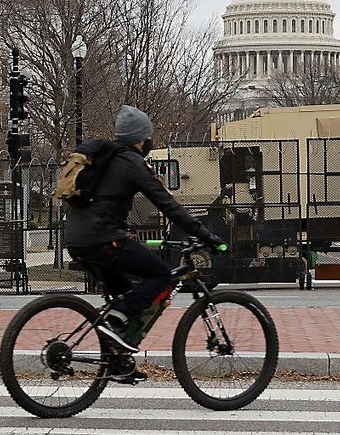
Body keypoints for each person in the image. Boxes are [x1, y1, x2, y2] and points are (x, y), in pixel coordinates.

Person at [64, 105, 226, 374]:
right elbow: (168, 205)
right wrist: (206, 235)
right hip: (104, 240)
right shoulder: (131, 163)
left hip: (78, 240)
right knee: (161, 275)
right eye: (148, 136)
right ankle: (117, 322)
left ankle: (117, 362)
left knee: (127, 296)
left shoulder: (105, 159)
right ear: (141, 139)